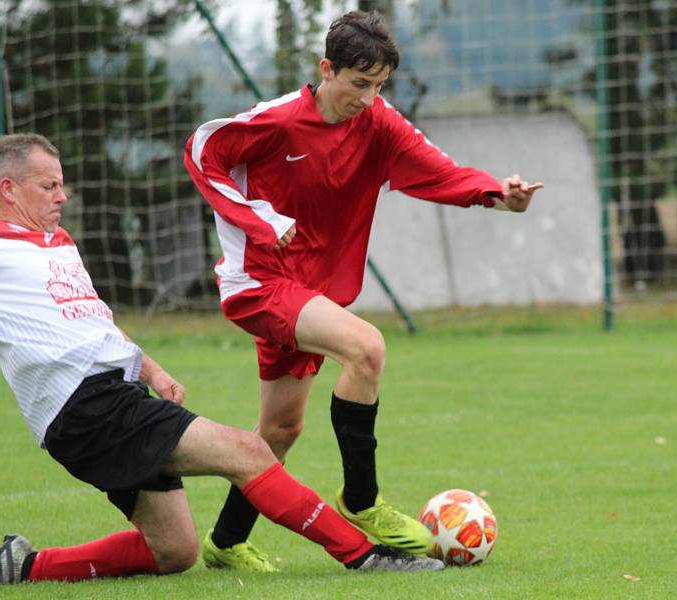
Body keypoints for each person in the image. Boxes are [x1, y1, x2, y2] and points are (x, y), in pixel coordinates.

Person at [0, 133, 445, 589]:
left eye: (62, 184)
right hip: (83, 404)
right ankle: (365, 556)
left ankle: (27, 567)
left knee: (172, 551)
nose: (63, 195)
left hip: (114, 396)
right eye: (49, 186)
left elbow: (93, 320)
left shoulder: (58, 242)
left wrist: (151, 370)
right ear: (8, 189)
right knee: (248, 451)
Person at [183, 10, 544, 572]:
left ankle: (225, 543)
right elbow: (203, 150)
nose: (369, 98)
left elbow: (437, 170)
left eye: (379, 86)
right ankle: (362, 501)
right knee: (366, 347)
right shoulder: (278, 122)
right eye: (359, 84)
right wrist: (259, 219)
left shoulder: (378, 124)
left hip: (309, 293)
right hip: (259, 282)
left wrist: (497, 192)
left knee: (279, 430)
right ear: (327, 70)